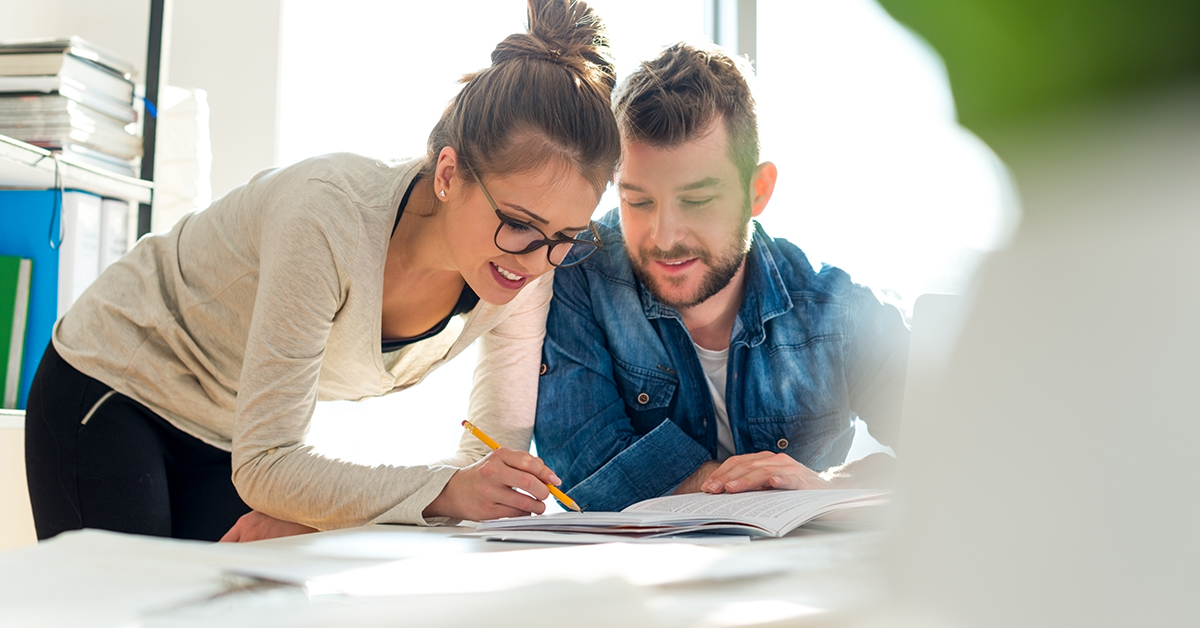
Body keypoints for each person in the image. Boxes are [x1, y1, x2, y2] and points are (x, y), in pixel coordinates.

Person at [24, 0, 621, 542]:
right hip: (118, 383)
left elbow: (485, 469)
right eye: (518, 224)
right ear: (447, 175)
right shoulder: (327, 215)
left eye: (566, 236)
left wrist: (469, 492)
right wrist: (438, 492)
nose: (537, 261)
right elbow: (269, 464)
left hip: (230, 435)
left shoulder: (531, 265)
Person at [534, 42, 910, 513]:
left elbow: (965, 445)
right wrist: (751, 489)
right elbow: (583, 462)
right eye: (638, 201)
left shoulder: (833, 308)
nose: (664, 237)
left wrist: (826, 487)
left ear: (758, 191)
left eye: (696, 201)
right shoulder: (579, 273)